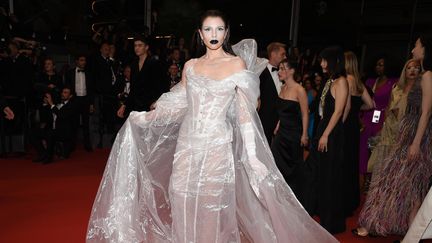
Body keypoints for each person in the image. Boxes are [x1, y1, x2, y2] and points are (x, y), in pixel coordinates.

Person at [87, 10, 337, 243]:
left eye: (219, 29)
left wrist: (254, 157)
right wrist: (143, 118)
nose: (214, 35)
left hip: (217, 147)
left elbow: (244, 115)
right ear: (199, 33)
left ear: (226, 33)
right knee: (182, 199)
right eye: (208, 29)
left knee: (211, 207)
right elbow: (178, 103)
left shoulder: (236, 65)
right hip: (187, 147)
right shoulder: (191, 66)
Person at [353, 36, 432, 237]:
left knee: (391, 181)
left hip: (415, 137)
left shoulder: (428, 76)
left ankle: (375, 225)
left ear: (425, 49)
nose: (413, 49)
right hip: (407, 133)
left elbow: (426, 112)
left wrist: (415, 143)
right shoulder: (421, 76)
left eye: (416, 45)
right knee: (413, 187)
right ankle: (411, 234)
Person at [298, 46, 349, 234]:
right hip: (323, 130)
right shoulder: (330, 80)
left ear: (333, 60)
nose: (321, 63)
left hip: (331, 134)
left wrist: (326, 134)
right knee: (312, 173)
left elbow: (339, 112)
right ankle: (308, 212)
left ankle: (330, 221)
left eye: (324, 60)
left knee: (328, 176)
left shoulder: (342, 82)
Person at [366, 59, 420, 173]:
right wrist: (383, 126)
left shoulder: (420, 91)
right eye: (409, 68)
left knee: (396, 167)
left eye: (416, 68)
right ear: (404, 71)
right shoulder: (396, 88)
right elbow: (388, 107)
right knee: (381, 165)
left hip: (405, 129)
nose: (412, 70)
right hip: (389, 128)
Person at [342, 51, 374, 216]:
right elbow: (370, 104)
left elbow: (345, 107)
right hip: (354, 127)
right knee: (351, 163)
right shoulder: (359, 82)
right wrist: (357, 109)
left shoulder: (346, 80)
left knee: (342, 163)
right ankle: (351, 201)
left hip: (345, 125)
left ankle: (342, 201)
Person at [271, 58, 308, 196]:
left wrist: (304, 134)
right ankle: (280, 196)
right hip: (281, 134)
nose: (279, 71)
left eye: (282, 69)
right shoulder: (282, 88)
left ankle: (294, 197)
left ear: (291, 71)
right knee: (276, 163)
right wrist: (278, 124)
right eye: (279, 68)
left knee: (293, 167)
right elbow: (282, 111)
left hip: (294, 135)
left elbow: (305, 114)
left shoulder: (300, 90)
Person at [116, 36, 168, 118]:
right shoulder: (133, 64)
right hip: (136, 106)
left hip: (150, 106)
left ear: (146, 47)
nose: (137, 48)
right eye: (135, 45)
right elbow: (133, 88)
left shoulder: (155, 63)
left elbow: (162, 86)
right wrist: (124, 105)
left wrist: (156, 101)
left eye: (140, 45)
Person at [258, 42, 287, 145]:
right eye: (282, 54)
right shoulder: (260, 72)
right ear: (273, 54)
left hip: (282, 120)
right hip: (265, 121)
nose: (285, 57)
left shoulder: (285, 73)